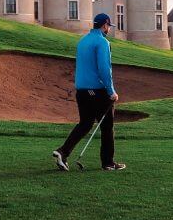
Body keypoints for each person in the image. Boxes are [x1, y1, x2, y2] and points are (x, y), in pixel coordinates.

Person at [52, 13, 126, 172]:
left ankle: (62, 152)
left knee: (85, 124)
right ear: (105, 25)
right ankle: (108, 163)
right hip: (97, 92)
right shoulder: (102, 42)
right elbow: (105, 69)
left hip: (82, 91)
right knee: (107, 127)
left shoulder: (82, 41)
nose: (108, 30)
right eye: (108, 26)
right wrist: (111, 91)